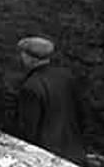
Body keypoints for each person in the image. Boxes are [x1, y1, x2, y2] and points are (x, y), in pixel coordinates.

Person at [15, 36, 86, 164]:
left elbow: (28, 130)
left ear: (30, 58)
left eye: (23, 54)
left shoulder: (31, 87)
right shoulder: (66, 76)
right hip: (74, 150)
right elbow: (81, 113)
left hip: (49, 155)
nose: (21, 57)